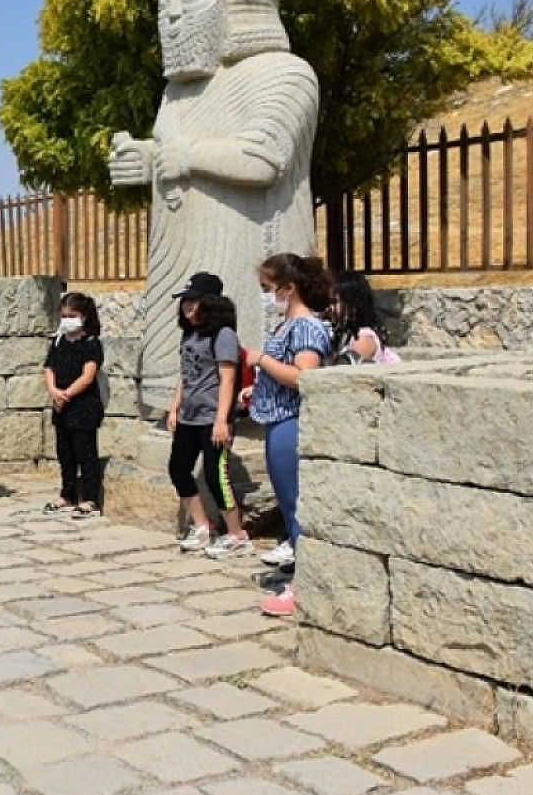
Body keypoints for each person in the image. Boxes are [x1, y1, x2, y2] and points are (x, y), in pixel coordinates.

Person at [243, 253, 334, 617]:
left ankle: (304, 587)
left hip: (291, 424)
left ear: (289, 287)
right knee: (288, 503)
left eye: (268, 288)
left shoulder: (306, 327)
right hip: (276, 422)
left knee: (298, 507)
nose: (266, 295)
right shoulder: (287, 326)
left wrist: (260, 362)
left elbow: (302, 376)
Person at [166, 273, 251, 558]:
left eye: (193, 302)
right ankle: (203, 525)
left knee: (217, 477)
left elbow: (227, 379)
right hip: (189, 416)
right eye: (185, 303)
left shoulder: (223, 335)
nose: (188, 308)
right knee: (178, 468)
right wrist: (174, 406)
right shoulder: (189, 334)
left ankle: (236, 533)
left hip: (212, 417)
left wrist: (221, 420)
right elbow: (186, 374)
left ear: (210, 303)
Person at [42, 291, 105, 518]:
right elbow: (49, 368)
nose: (68, 320)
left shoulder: (91, 343)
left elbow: (88, 375)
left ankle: (89, 498)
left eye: (73, 315)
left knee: (86, 453)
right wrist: (53, 391)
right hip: (61, 406)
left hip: (83, 405)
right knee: (64, 453)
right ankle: (67, 493)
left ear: (85, 316)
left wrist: (66, 394)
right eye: (64, 315)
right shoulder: (59, 341)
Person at [329, 271, 400, 366]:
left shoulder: (362, 340)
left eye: (334, 302)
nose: (329, 307)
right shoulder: (345, 335)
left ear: (352, 305)